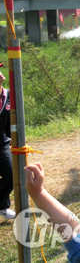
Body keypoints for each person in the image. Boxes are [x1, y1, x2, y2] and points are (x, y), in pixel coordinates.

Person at [0, 65, 13, 220]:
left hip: (2, 143)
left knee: (12, 173)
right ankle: (3, 206)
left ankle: (1, 205)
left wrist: (14, 141)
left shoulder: (8, 95)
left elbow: (10, 122)